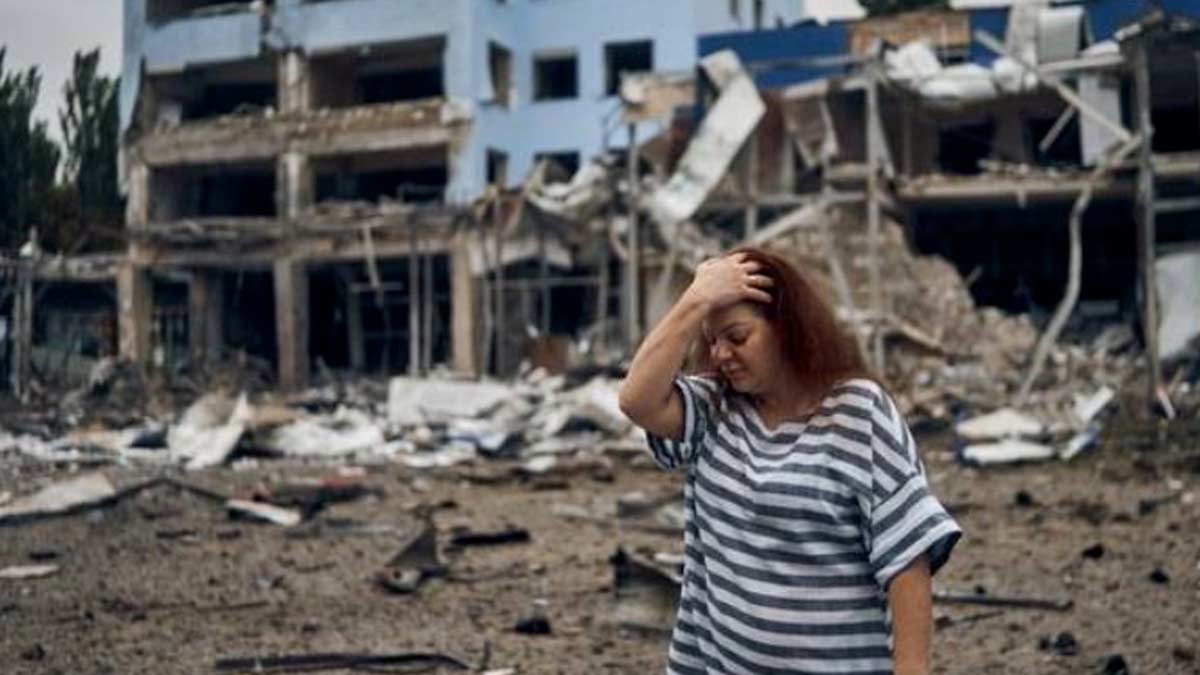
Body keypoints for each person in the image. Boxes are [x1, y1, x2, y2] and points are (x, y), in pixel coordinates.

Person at [617, 247, 961, 675]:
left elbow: (907, 558)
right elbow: (636, 399)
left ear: (786, 329)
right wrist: (696, 299)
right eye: (713, 342)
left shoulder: (857, 413)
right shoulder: (713, 410)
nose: (721, 354)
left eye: (737, 337)